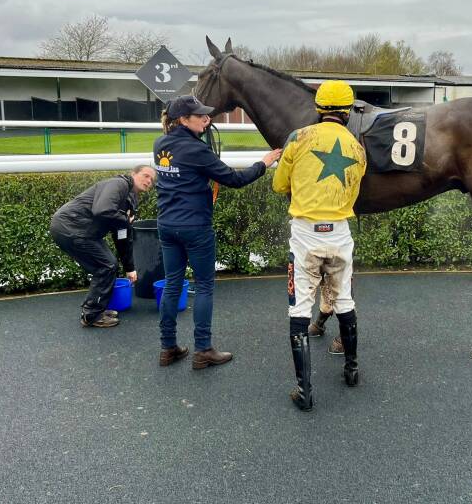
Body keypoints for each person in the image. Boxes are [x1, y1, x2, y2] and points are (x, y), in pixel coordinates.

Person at [153, 95, 281, 368]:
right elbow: (234, 179)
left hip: (167, 225)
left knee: (173, 284)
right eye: (200, 116)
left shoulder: (160, 144)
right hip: (195, 227)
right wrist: (264, 163)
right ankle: (203, 349)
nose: (206, 119)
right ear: (183, 120)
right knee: (204, 286)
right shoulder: (196, 150)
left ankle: (168, 348)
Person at [272, 80, 367, 411]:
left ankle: (304, 390)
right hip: (340, 235)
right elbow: (354, 190)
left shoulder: (298, 138)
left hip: (305, 237)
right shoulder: (358, 148)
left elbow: (279, 185)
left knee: (299, 308)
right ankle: (352, 370)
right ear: (347, 111)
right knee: (344, 300)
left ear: (319, 108)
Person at [50, 165, 157, 328]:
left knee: (106, 265)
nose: (149, 181)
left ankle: (95, 309)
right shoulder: (119, 184)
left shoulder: (130, 200)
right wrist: (125, 220)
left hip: (79, 230)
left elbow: (122, 236)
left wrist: (130, 268)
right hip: (71, 226)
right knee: (107, 265)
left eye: (152, 179)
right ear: (133, 174)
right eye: (145, 175)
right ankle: (92, 315)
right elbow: (102, 210)